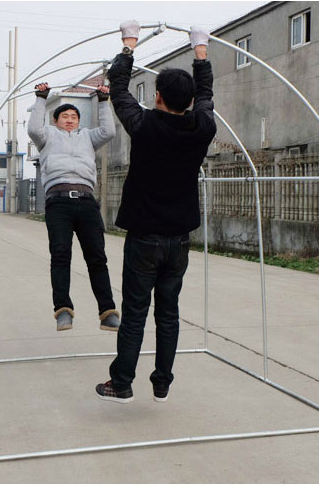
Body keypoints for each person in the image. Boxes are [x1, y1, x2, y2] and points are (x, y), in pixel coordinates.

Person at [95, 21, 216, 403]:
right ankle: (162, 380)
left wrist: (128, 47)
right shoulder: (202, 128)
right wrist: (202, 53)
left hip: (145, 237)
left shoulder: (145, 125)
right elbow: (208, 96)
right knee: (168, 312)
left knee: (134, 311)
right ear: (189, 101)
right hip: (179, 238)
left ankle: (123, 381)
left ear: (159, 96)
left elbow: (117, 89)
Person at [27, 81, 120, 332]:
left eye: (74, 116)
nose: (70, 120)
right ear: (55, 120)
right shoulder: (46, 137)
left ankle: (107, 311)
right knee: (60, 255)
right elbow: (34, 127)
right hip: (58, 203)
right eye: (65, 116)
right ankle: (63, 310)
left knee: (97, 258)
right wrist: (41, 98)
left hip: (87, 202)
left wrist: (103, 101)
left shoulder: (88, 137)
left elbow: (109, 131)